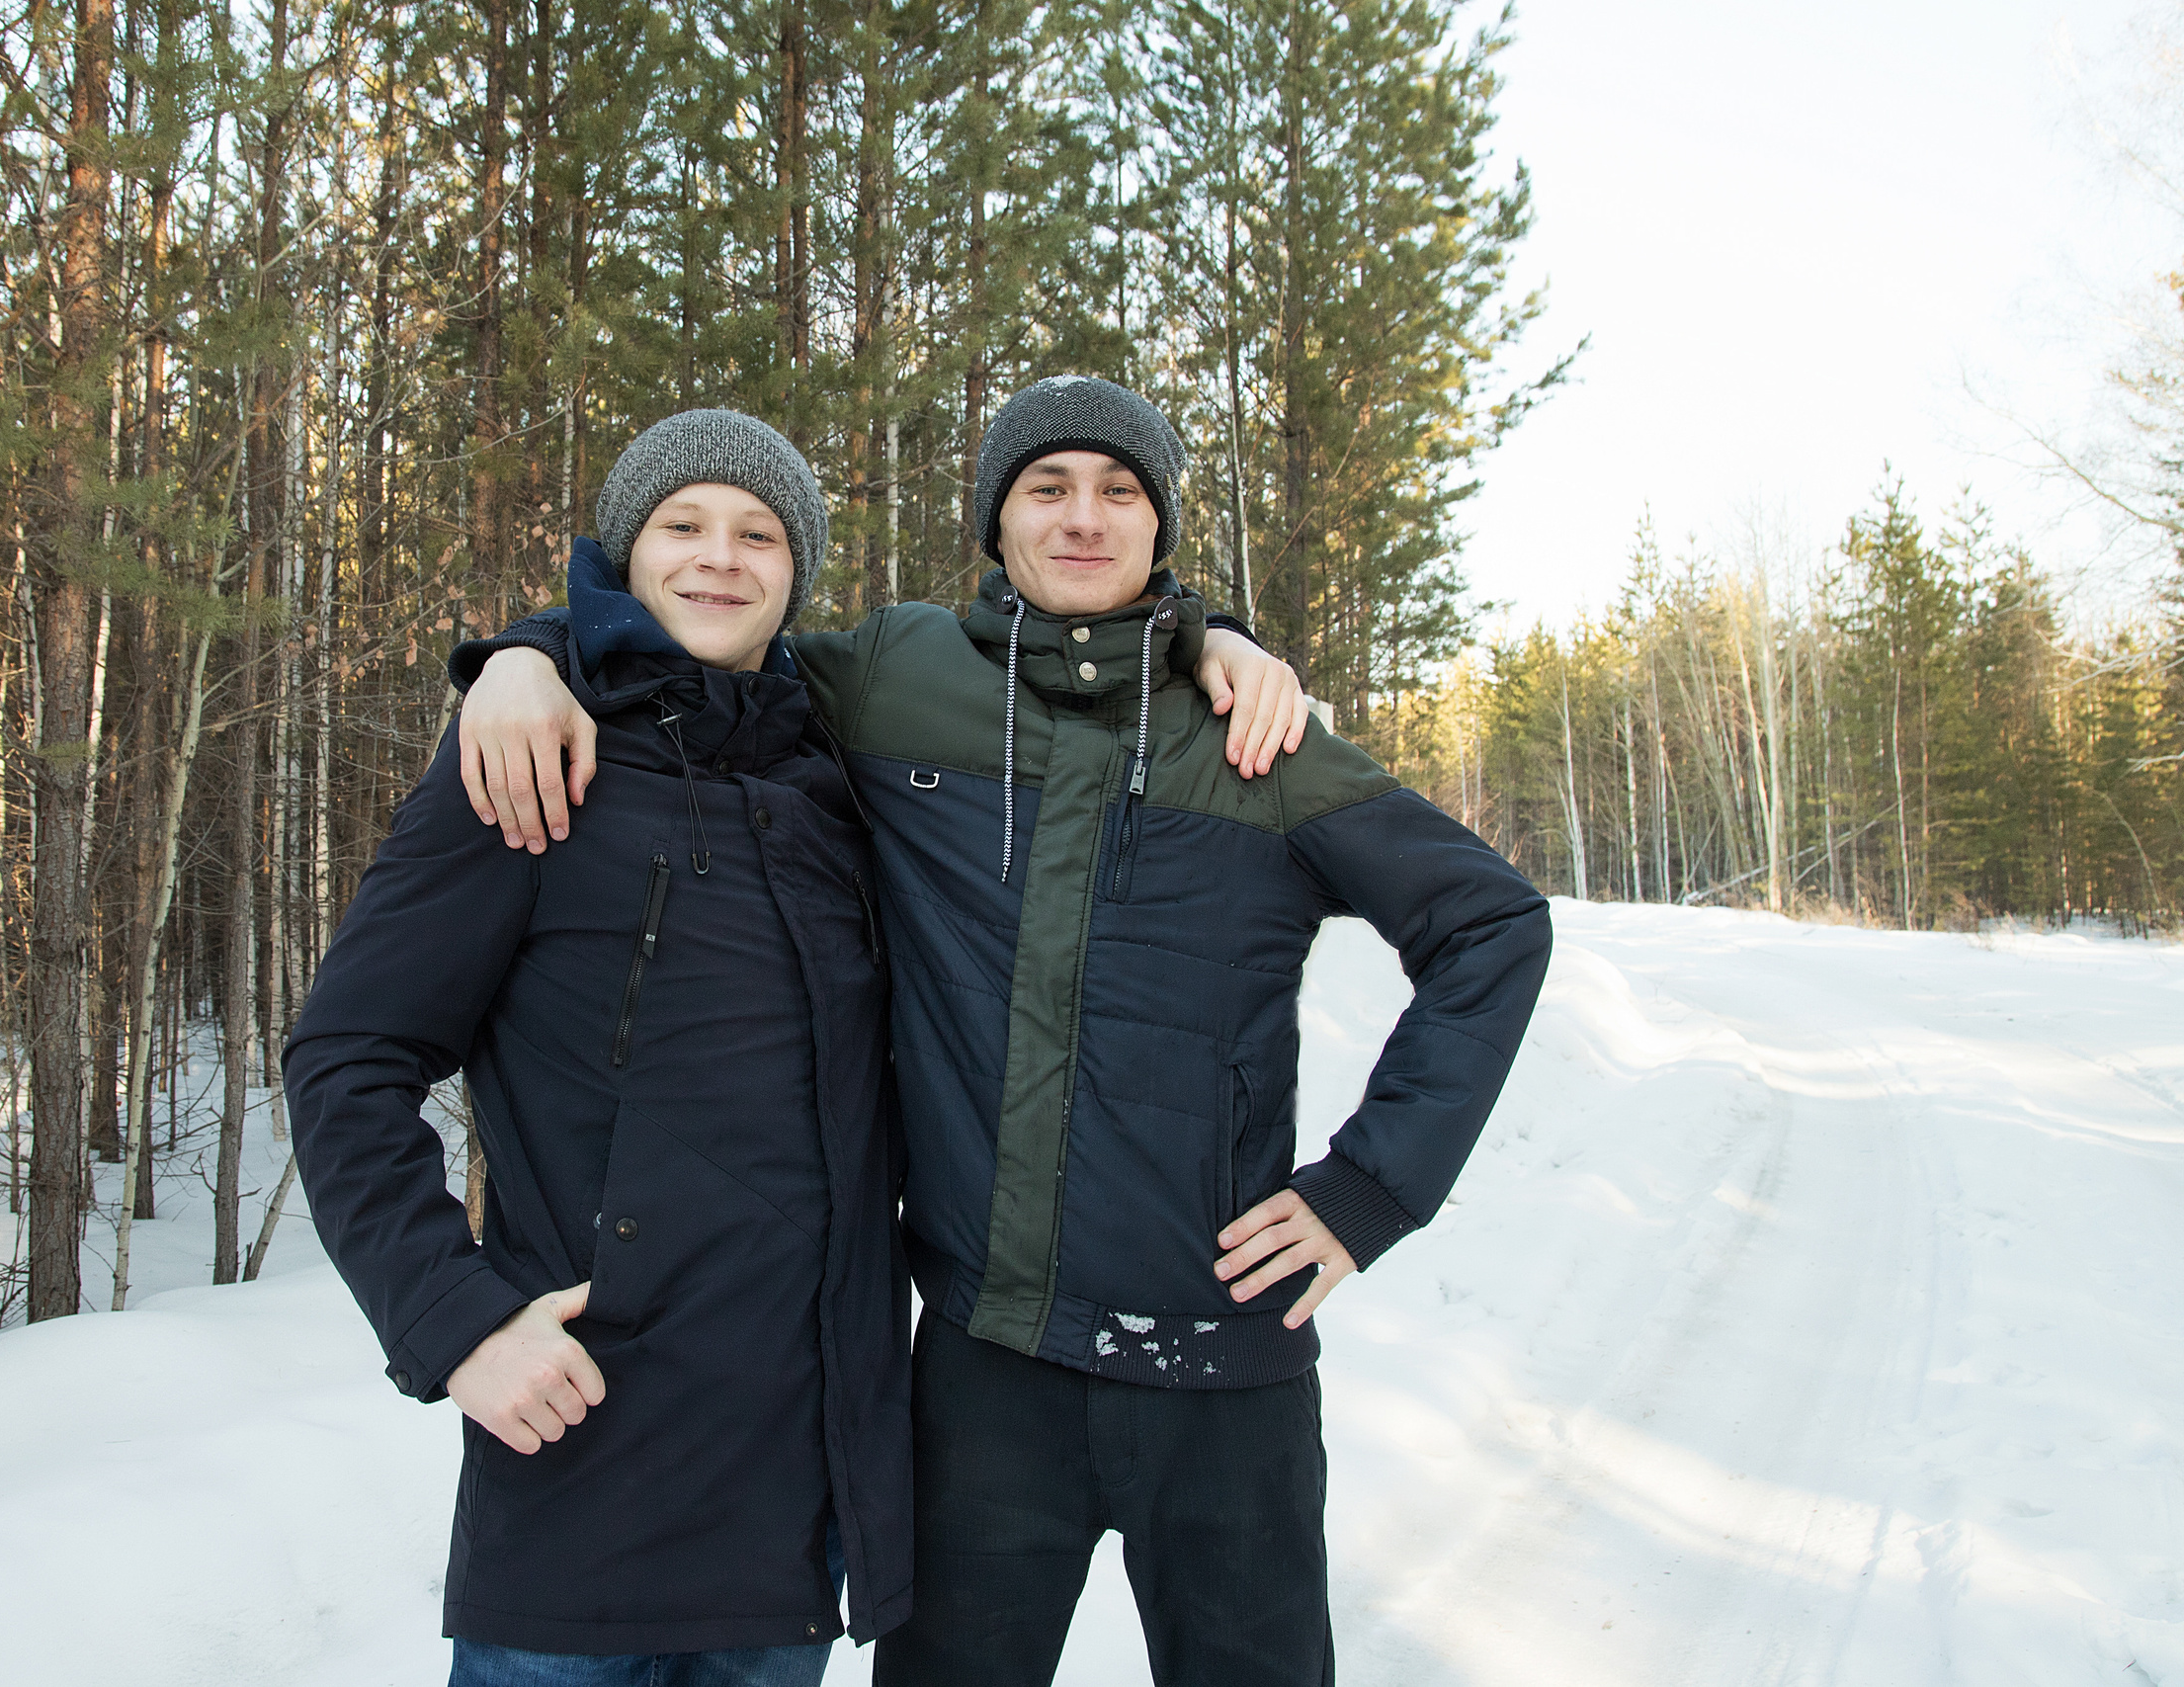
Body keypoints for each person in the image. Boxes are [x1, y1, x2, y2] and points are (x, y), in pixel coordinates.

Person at [452, 376, 1554, 1687]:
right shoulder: (895, 680)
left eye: (1120, 493)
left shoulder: (1257, 740)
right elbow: (700, 634)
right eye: (1048, 488)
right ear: (996, 520)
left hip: (1225, 1376)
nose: (1083, 519)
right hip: (987, 1369)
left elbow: (1491, 926)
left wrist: (1371, 1185)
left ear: (1159, 531)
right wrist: (522, 652)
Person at [285, 410, 914, 1687]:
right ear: (624, 555)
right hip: (576, 1469)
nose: (719, 558)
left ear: (798, 576)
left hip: (789, 1504)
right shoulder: (532, 759)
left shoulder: (846, 787)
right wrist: (454, 1323)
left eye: (758, 534)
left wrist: (1216, 637)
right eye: (682, 525)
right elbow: (346, 1058)